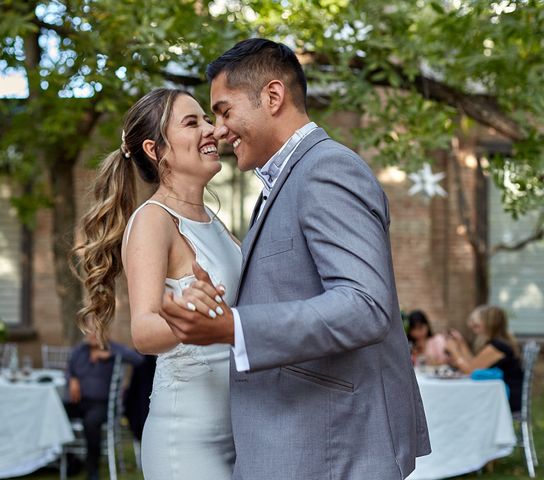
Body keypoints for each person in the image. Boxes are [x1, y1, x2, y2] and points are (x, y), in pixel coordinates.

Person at [159, 38, 431, 479]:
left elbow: (366, 305)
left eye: (225, 111)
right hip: (299, 442)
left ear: (272, 96)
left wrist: (234, 328)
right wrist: (221, 310)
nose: (218, 130)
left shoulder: (326, 170)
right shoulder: (284, 179)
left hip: (333, 447)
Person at [72, 88, 241, 479]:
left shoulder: (217, 225)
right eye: (192, 122)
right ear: (155, 149)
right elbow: (144, 332)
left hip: (237, 433)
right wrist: (188, 316)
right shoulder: (154, 221)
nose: (211, 130)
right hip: (186, 441)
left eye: (207, 119)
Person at [65, 323, 144, 480]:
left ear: (104, 333)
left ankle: (92, 469)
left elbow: (138, 359)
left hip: (103, 404)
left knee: (91, 423)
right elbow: (69, 369)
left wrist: (110, 353)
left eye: (96, 332)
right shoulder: (80, 351)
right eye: (89, 332)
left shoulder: (113, 348)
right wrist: (71, 379)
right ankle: (66, 460)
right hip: (79, 401)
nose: (92, 335)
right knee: (55, 411)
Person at [445, 305, 524, 412]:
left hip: (507, 398)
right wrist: (461, 343)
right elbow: (474, 364)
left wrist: (454, 351)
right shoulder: (499, 343)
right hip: (499, 393)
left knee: (459, 404)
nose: (472, 327)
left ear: (489, 323)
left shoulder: (497, 346)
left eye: (476, 324)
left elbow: (470, 371)